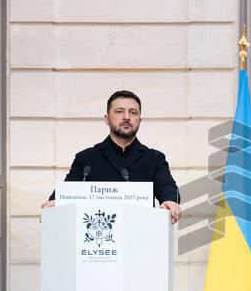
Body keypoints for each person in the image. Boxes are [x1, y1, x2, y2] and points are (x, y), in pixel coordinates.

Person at [41, 90, 181, 224]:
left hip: (140, 235)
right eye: (119, 111)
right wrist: (56, 203)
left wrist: (170, 201)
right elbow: (66, 193)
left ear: (139, 119)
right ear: (107, 119)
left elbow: (167, 187)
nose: (127, 117)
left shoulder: (155, 158)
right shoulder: (86, 158)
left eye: (133, 112)